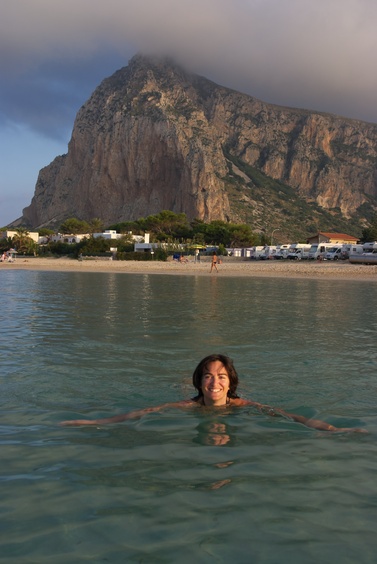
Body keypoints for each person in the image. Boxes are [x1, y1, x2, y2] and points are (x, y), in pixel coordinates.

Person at [60, 354, 366, 432]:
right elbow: (141, 413)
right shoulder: (188, 406)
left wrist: (331, 429)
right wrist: (93, 423)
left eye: (221, 377)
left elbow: (290, 417)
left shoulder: (242, 404)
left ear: (230, 383)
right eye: (207, 377)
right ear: (199, 383)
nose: (214, 383)